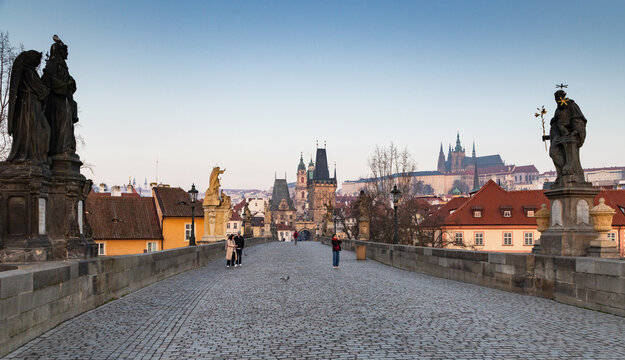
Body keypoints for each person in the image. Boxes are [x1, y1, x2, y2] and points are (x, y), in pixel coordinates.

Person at [7, 50, 50, 164]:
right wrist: (48, 84)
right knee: (42, 129)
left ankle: (35, 155)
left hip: (29, 104)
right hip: (29, 105)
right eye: (38, 60)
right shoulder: (28, 72)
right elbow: (41, 91)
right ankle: (32, 156)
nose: (39, 63)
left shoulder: (30, 72)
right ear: (32, 59)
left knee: (35, 130)